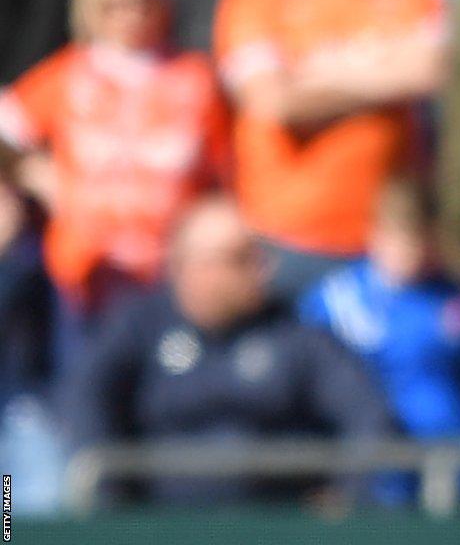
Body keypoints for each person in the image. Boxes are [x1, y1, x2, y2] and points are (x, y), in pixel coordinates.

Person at [63, 196, 392, 505]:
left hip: (275, 527)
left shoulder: (294, 333)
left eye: (259, 257)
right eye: (241, 259)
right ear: (193, 268)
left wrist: (345, 497)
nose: (263, 270)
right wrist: (113, 499)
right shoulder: (138, 327)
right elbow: (85, 396)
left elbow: (367, 414)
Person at [0, 0, 231, 368]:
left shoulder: (196, 78)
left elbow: (226, 170)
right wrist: (33, 173)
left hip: (168, 277)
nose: (131, 13)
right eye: (114, 3)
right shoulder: (68, 75)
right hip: (82, 276)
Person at [213, 0, 447, 301]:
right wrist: (385, 72)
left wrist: (316, 75)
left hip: (392, 244)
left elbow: (430, 70)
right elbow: (273, 101)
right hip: (286, 241)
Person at [299, 177, 460, 506]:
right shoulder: (334, 303)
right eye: (399, 237)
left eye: (421, 237)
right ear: (375, 233)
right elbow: (305, 393)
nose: (411, 251)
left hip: (450, 464)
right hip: (363, 471)